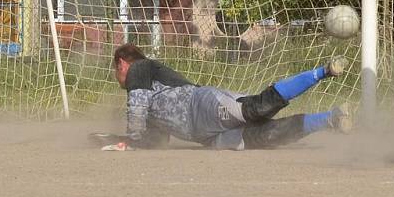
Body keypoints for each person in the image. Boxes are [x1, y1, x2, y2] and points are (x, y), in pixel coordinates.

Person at [103, 43, 353, 151]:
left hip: (201, 106)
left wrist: (131, 139)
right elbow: (156, 140)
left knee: (256, 109)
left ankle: (324, 71)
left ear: (122, 64)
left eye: (116, 71)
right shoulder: (149, 95)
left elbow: (135, 114)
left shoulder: (139, 68)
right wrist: (117, 140)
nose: (118, 77)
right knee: (266, 136)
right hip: (207, 137)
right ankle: (331, 119)